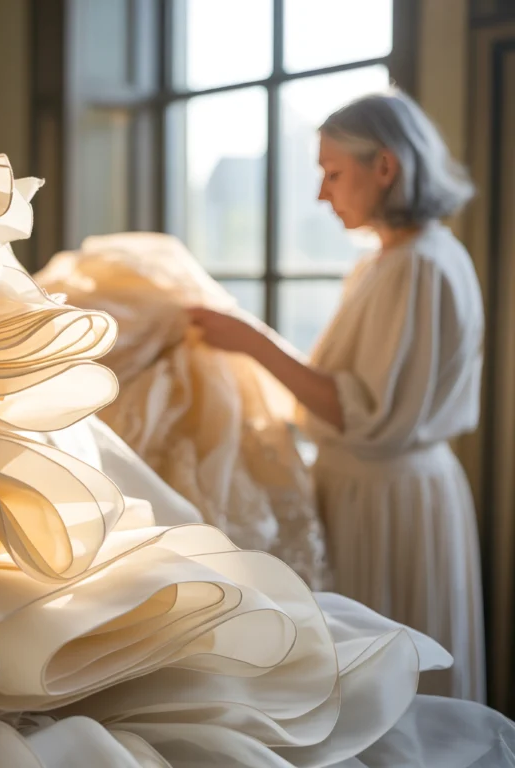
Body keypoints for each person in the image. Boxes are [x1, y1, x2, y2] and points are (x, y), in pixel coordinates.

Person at [188, 89, 485, 703]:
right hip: (372, 488)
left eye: (333, 174)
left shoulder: (418, 266)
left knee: (391, 681)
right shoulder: (386, 262)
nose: (323, 194)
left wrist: (251, 340)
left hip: (390, 497)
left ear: (385, 167)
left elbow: (359, 408)